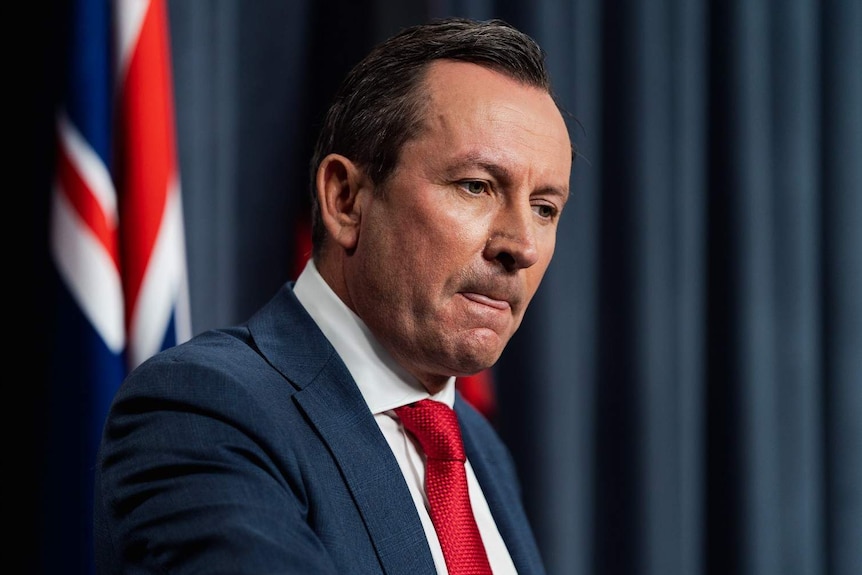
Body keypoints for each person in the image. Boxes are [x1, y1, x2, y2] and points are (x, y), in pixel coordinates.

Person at [94, 16, 573, 575]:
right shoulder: (205, 409)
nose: (521, 244)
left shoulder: (481, 451)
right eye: (476, 186)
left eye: (545, 208)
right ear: (345, 200)